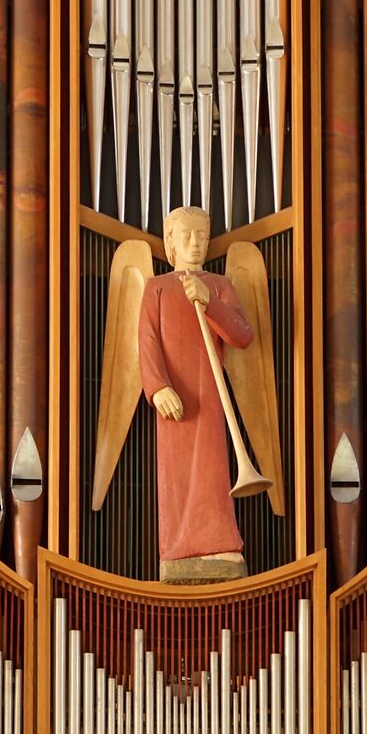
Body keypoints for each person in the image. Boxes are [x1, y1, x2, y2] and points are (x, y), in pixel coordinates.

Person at [136, 206, 256, 583]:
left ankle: (220, 543)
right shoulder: (156, 288)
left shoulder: (219, 285)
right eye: (186, 236)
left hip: (209, 393)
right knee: (176, 477)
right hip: (174, 399)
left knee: (211, 471)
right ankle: (177, 549)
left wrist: (210, 300)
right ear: (170, 243)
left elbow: (242, 336)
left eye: (202, 236)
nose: (195, 243)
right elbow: (147, 342)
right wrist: (157, 388)